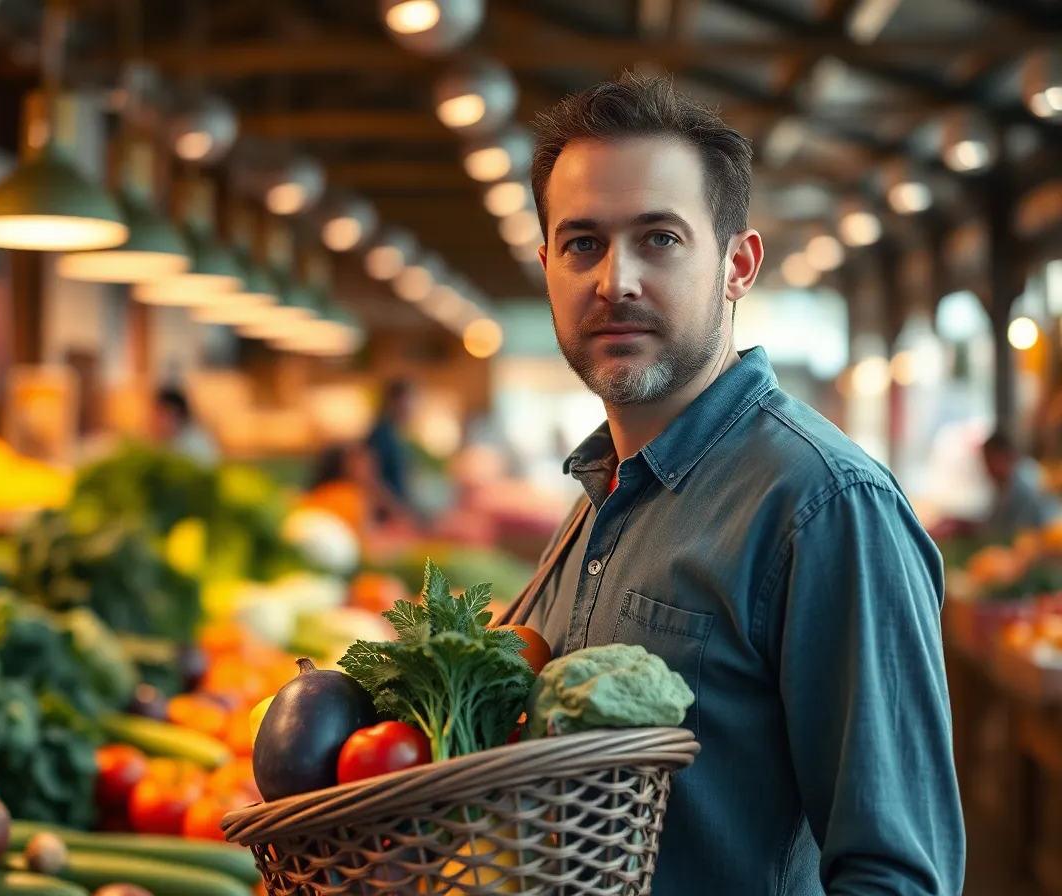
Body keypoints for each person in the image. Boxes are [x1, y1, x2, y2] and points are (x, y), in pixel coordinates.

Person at [497, 73, 965, 894]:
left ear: (737, 265)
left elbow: (899, 876)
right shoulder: (599, 498)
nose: (615, 281)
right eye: (582, 244)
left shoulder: (825, 507)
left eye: (659, 238)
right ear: (546, 267)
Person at [981, 430, 1062, 539]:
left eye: (988, 460)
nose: (987, 469)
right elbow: (997, 522)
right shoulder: (1013, 479)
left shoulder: (1026, 480)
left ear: (1003, 455)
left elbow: (1018, 529)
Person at [365, 379, 417, 515]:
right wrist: (397, 510)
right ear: (394, 402)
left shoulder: (398, 435)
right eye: (409, 401)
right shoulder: (381, 435)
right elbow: (370, 479)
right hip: (387, 513)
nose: (412, 407)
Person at [151, 387, 218, 465]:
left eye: (161, 416)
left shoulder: (195, 444)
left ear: (176, 414)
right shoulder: (168, 441)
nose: (156, 422)